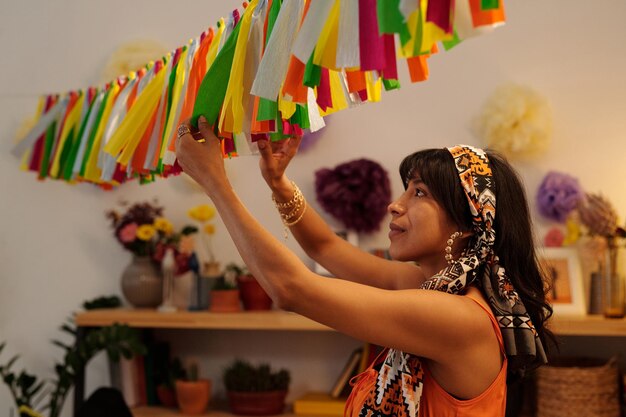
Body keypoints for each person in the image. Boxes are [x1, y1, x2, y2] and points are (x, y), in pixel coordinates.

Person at [175, 117, 553, 417]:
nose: (395, 204)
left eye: (419, 192)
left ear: (468, 222)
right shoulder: (432, 288)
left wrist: (214, 181)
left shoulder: (458, 317)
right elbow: (326, 248)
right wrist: (278, 182)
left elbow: (291, 289)